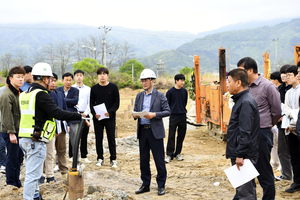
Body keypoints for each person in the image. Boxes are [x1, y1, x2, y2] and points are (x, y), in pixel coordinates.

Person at [18, 63, 82, 200]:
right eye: (50, 79)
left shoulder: (25, 94)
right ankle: (29, 197)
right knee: (32, 175)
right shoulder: (41, 94)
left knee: (32, 170)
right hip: (35, 139)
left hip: (24, 138)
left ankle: (35, 196)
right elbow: (57, 113)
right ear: (45, 79)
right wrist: (77, 116)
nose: (52, 82)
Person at [238, 57, 281, 200]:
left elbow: (276, 112)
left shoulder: (268, 86)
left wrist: (266, 125)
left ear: (250, 70)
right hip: (245, 133)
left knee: (263, 169)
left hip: (262, 133)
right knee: (243, 168)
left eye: (242, 70)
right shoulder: (244, 88)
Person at [133, 69, 170, 196]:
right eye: (142, 81)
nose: (144, 83)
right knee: (143, 160)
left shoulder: (160, 96)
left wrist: (154, 115)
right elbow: (135, 111)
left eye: (146, 80)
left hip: (155, 132)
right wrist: (136, 115)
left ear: (152, 81)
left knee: (159, 160)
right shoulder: (139, 96)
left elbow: (167, 111)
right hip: (143, 131)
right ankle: (145, 184)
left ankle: (161, 185)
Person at [226, 68, 260, 200]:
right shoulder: (241, 100)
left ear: (238, 83)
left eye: (229, 81)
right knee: (243, 191)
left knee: (246, 194)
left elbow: (245, 132)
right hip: (241, 153)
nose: (227, 85)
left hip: (244, 156)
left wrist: (240, 154)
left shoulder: (245, 102)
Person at [0, 66, 25, 188]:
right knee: (12, 158)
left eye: (22, 77)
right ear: (10, 79)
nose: (21, 79)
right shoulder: (7, 95)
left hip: (19, 131)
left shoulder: (19, 93)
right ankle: (11, 183)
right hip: (11, 132)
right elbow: (6, 116)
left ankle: (17, 182)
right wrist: (11, 133)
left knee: (19, 158)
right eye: (18, 77)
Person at [90, 67, 119, 168]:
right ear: (97, 76)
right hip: (98, 118)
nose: (102, 76)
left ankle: (113, 159)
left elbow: (116, 103)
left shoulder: (113, 87)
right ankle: (100, 158)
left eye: (104, 74)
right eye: (100, 74)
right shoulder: (93, 89)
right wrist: (94, 114)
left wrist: (110, 112)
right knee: (99, 138)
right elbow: (91, 103)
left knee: (111, 138)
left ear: (107, 75)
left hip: (110, 117)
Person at [283, 65, 300, 193]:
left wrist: (294, 118)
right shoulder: (288, 92)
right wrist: (292, 116)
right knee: (294, 157)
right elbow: (287, 109)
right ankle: (297, 181)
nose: (287, 78)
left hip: (297, 126)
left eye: (289, 75)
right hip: (290, 128)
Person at [56, 72, 80, 161]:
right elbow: (57, 103)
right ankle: (58, 163)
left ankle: (76, 161)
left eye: (70, 80)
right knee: (59, 143)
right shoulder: (57, 90)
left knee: (75, 140)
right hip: (60, 118)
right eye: (66, 80)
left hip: (72, 118)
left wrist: (62, 100)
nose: (68, 82)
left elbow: (75, 101)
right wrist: (68, 101)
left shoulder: (75, 90)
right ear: (62, 81)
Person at [275, 65, 293, 181]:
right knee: (282, 150)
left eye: (286, 73)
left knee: (294, 151)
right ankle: (286, 174)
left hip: (293, 124)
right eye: (282, 73)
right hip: (281, 124)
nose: (283, 75)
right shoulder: (279, 89)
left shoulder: (294, 89)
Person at [165, 74, 188, 163]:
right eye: (181, 80)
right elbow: (168, 104)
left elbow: (185, 102)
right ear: (176, 81)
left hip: (182, 116)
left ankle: (178, 153)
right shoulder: (170, 92)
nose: (182, 82)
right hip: (173, 116)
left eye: (183, 80)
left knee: (181, 136)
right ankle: (169, 154)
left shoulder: (184, 91)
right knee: (171, 136)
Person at [72, 70, 91, 163]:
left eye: (81, 75)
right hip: (74, 114)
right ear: (74, 77)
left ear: (83, 77)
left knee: (84, 136)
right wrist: (76, 113)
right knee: (74, 135)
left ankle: (84, 155)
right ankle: (72, 155)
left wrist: (86, 113)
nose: (79, 77)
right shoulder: (71, 88)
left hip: (85, 114)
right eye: (77, 75)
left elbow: (90, 103)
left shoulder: (88, 89)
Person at [269, 71, 282, 170]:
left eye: (271, 80)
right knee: (275, 144)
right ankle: (276, 162)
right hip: (276, 121)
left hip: (279, 121)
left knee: (276, 144)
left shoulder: (278, 91)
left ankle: (278, 163)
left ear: (276, 80)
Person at [0, 77, 9, 174]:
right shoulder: (1, 91)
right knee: (1, 143)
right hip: (1, 120)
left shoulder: (17, 92)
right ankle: (3, 164)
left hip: (11, 121)